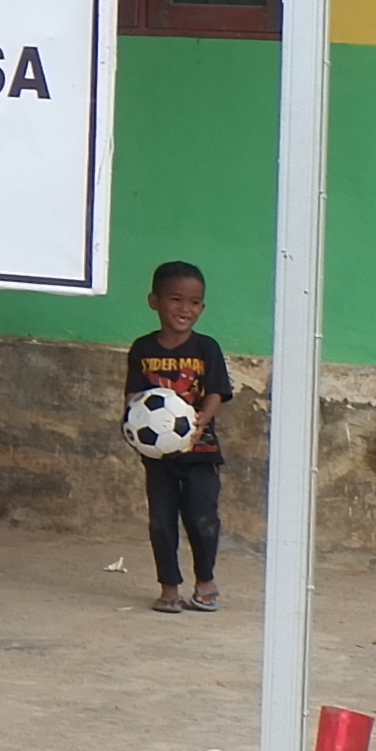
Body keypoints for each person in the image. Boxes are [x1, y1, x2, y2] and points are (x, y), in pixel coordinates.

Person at [128, 258, 237, 612]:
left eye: (193, 302)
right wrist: (135, 426)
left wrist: (202, 419)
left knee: (202, 517)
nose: (184, 308)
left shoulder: (206, 348)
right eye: (175, 299)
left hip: (200, 452)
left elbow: (217, 391)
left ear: (202, 307)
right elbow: (134, 398)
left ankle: (205, 580)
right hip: (159, 456)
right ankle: (168, 587)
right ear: (154, 301)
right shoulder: (143, 349)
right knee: (161, 520)